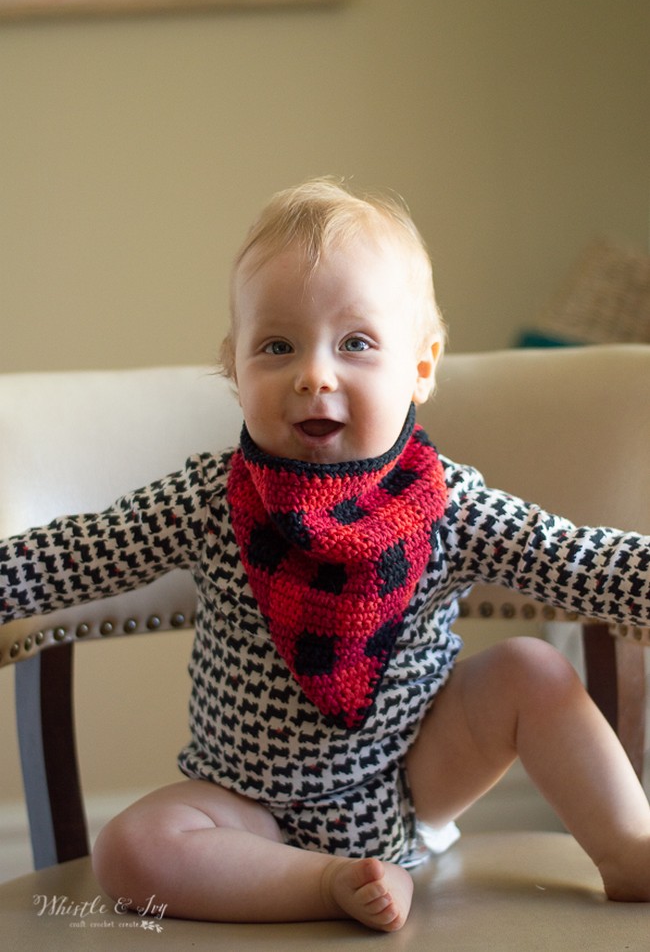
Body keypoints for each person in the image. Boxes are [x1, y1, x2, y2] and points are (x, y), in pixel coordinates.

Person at [1, 178, 649, 932]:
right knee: (131, 852)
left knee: (531, 671)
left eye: (357, 344)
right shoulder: (211, 500)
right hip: (244, 805)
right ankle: (328, 882)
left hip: (415, 778)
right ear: (233, 367)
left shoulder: (448, 504)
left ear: (422, 366)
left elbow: (580, 560)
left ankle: (629, 850)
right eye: (277, 346)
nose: (314, 374)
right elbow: (73, 554)